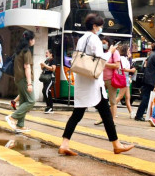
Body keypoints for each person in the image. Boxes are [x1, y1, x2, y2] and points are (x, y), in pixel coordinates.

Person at [58, 14, 134, 156]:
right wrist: (110, 51)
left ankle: (64, 144)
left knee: (77, 114)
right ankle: (117, 145)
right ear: (94, 26)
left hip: (82, 82)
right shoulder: (94, 39)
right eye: (99, 26)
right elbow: (100, 59)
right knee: (106, 115)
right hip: (94, 85)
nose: (100, 28)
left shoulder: (81, 39)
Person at [6, 31, 36, 132]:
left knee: (23, 101)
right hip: (24, 79)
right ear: (30, 40)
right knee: (31, 101)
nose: (34, 41)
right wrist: (29, 83)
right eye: (33, 39)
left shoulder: (19, 51)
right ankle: (12, 117)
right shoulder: (27, 51)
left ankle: (20, 125)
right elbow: (27, 67)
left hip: (18, 79)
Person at [95, 36, 120, 125]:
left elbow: (117, 65)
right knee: (100, 100)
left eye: (105, 42)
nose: (103, 44)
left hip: (111, 79)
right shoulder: (103, 53)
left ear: (109, 43)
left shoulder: (114, 52)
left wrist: (105, 64)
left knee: (112, 101)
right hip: (102, 80)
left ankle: (112, 120)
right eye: (102, 42)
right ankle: (103, 118)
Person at [116, 44, 135, 118]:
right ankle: (111, 109)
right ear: (125, 51)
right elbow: (122, 69)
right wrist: (132, 70)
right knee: (120, 96)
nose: (129, 51)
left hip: (125, 78)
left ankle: (131, 112)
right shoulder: (123, 59)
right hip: (124, 78)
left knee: (127, 97)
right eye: (128, 50)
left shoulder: (123, 58)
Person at [40, 49, 56, 113]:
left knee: (45, 91)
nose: (46, 54)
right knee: (47, 92)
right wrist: (42, 66)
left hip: (50, 78)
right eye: (46, 53)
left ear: (51, 54)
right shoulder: (46, 60)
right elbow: (43, 69)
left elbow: (53, 69)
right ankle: (50, 108)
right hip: (45, 78)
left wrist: (45, 65)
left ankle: (49, 106)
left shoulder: (53, 60)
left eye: (47, 53)